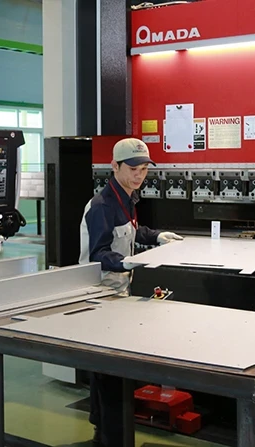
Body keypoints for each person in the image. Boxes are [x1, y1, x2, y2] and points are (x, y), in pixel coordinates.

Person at [78, 137, 183, 446]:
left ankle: (102, 432)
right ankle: (112, 439)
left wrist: (158, 236)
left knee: (104, 372)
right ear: (115, 166)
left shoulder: (127, 198)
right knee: (111, 375)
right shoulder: (101, 206)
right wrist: (130, 262)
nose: (140, 174)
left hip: (118, 294)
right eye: (133, 168)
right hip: (98, 297)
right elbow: (98, 253)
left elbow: (132, 233)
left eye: (145, 168)